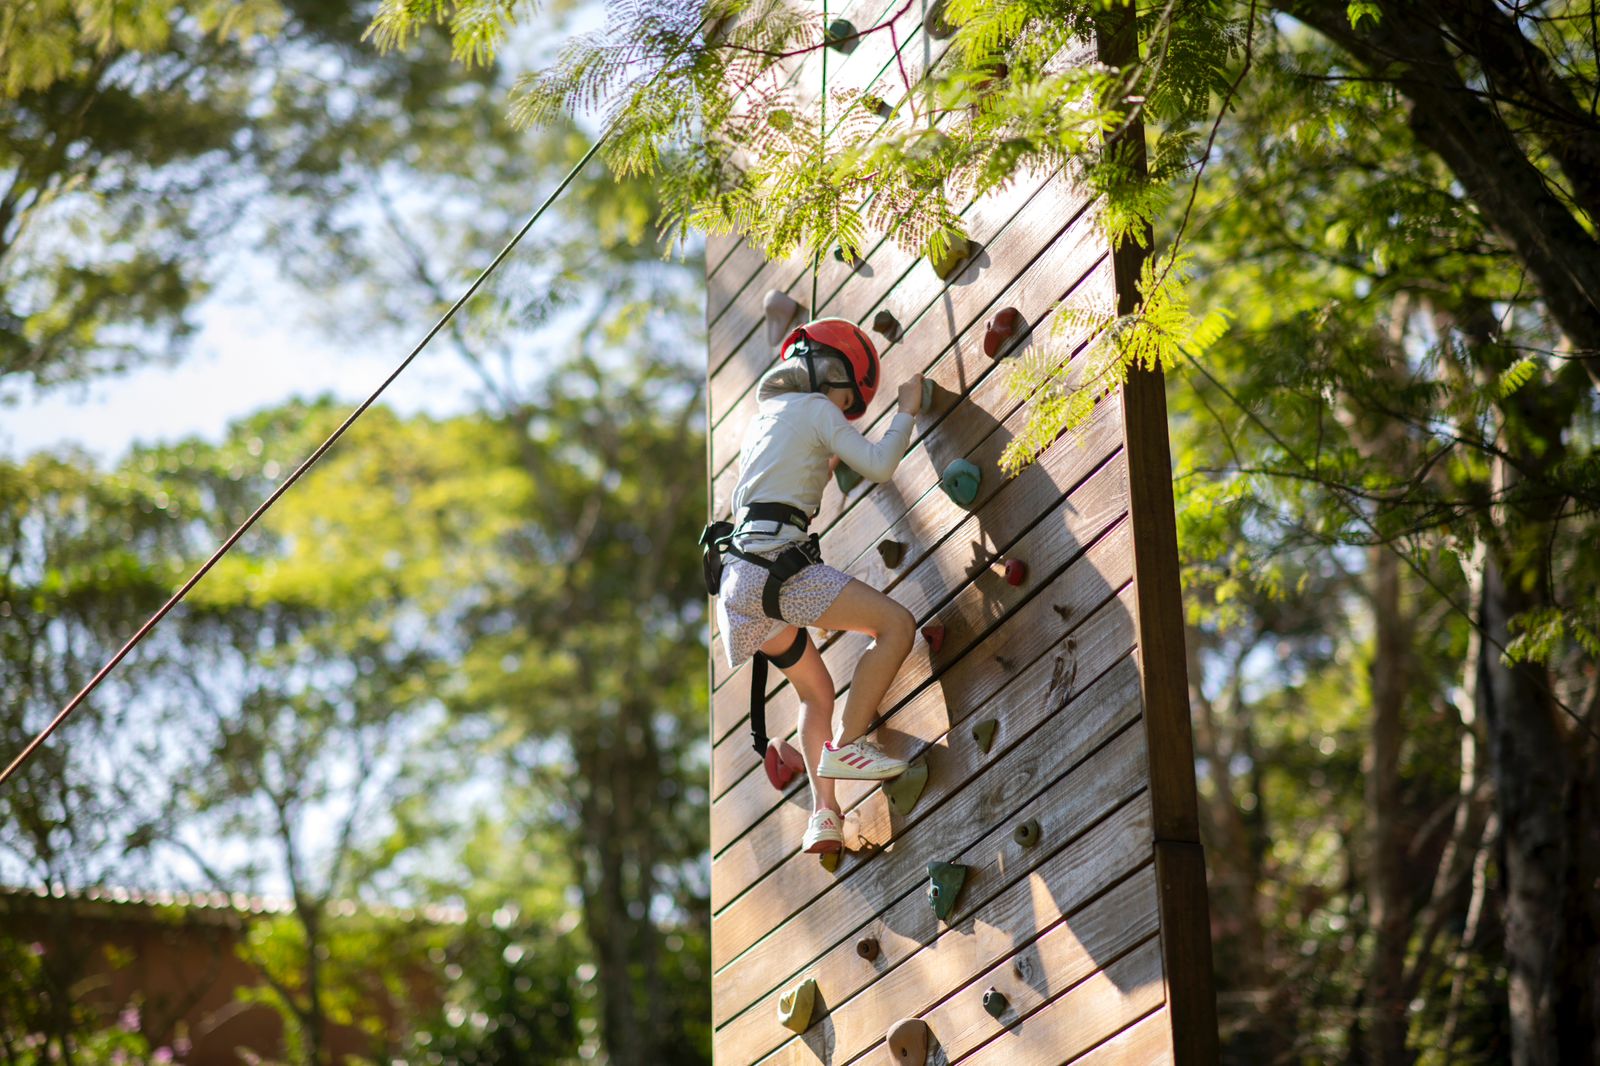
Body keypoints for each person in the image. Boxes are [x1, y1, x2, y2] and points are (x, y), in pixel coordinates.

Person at [709, 317, 923, 855]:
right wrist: (907, 410)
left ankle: (825, 814)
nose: (843, 403)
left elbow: (804, 473)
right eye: (843, 390)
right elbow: (877, 465)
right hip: (778, 570)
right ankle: (847, 746)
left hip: (738, 586)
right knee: (896, 625)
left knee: (815, 691)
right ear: (824, 370)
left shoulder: (764, 421)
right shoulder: (817, 409)